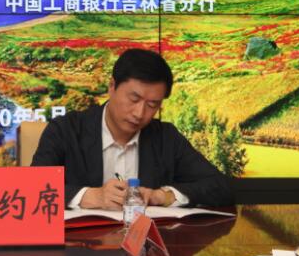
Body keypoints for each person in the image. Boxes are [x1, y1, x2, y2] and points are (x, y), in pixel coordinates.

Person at [32, 48, 234, 209]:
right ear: (112, 86)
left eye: (152, 105)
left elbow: (221, 187)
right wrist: (90, 196)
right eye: (134, 99)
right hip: (80, 246)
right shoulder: (65, 130)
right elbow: (32, 189)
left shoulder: (166, 137)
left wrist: (163, 196)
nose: (139, 113)